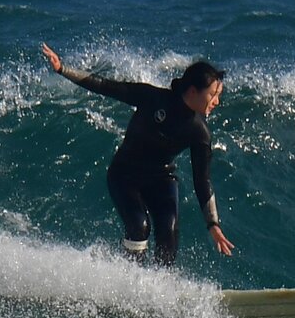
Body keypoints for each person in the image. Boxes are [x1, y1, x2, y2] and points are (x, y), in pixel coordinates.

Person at [41, 43, 235, 264]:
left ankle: (160, 281)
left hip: (162, 178)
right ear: (193, 91)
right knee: (139, 226)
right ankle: (130, 275)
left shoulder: (200, 132)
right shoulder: (153, 98)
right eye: (213, 94)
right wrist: (62, 69)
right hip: (125, 174)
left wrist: (213, 224)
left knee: (169, 230)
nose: (217, 102)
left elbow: (202, 180)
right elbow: (105, 86)